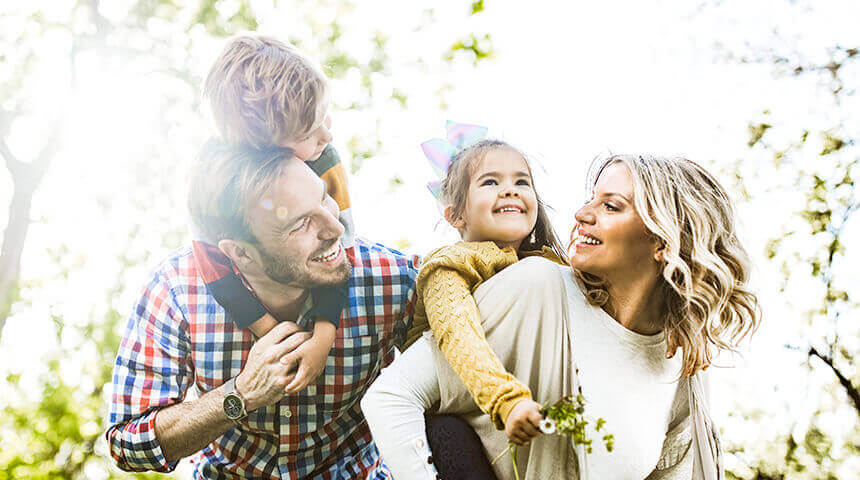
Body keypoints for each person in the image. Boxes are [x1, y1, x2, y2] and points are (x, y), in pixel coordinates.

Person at [362, 154, 760, 479]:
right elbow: (392, 396)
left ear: (662, 241)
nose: (583, 213)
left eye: (610, 205)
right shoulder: (537, 285)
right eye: (592, 198)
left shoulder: (682, 364)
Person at [105, 144, 417, 477]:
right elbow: (127, 444)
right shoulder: (176, 291)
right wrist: (239, 395)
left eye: (325, 197)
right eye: (300, 225)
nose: (335, 228)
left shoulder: (393, 280)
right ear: (240, 252)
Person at [194, 34, 356, 393]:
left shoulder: (325, 160)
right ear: (262, 148)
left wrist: (323, 337)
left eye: (323, 115)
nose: (327, 135)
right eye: (308, 132)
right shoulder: (214, 188)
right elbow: (214, 270)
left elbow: (340, 252)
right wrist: (274, 334)